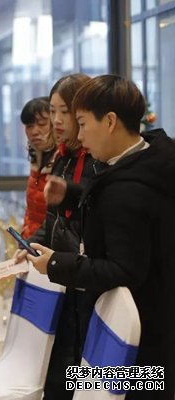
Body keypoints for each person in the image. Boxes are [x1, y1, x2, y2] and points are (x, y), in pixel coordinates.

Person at [25, 75, 175, 400]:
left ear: (110, 121)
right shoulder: (146, 159)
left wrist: (56, 264)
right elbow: (108, 206)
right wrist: (71, 194)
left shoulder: (130, 192)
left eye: (82, 123)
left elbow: (122, 271)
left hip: (137, 341)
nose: (79, 135)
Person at [19, 74, 98, 400]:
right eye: (53, 111)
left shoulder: (100, 160)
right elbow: (51, 218)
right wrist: (32, 243)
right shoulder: (62, 156)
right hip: (60, 273)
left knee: (91, 373)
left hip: (85, 279)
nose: (56, 121)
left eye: (64, 112)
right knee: (60, 367)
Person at [20, 96, 57, 239]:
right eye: (29, 126)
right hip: (30, 243)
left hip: (49, 247)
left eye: (42, 124)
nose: (34, 131)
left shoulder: (64, 161)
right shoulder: (36, 159)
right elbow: (31, 211)